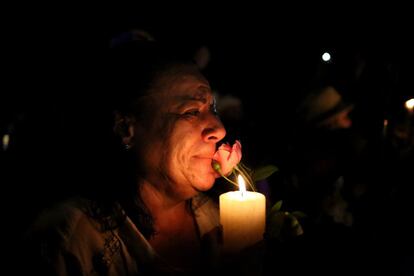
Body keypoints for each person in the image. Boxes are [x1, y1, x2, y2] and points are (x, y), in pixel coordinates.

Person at [22, 38, 236, 275]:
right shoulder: (71, 241)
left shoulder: (220, 218)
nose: (219, 129)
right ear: (127, 129)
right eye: (191, 112)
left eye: (213, 109)